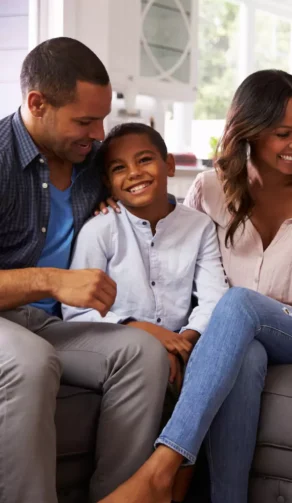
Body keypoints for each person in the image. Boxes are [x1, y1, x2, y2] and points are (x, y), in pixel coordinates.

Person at [82, 69, 292, 503]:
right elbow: (171, 245)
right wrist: (116, 209)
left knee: (238, 301)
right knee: (245, 355)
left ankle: (161, 469)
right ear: (251, 129)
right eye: (283, 133)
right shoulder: (209, 188)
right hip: (237, 337)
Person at [0, 37, 168, 503]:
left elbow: (148, 190)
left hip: (52, 325)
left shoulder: (93, 162)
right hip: (8, 326)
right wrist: (50, 280)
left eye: (101, 119)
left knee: (143, 354)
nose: (98, 133)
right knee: (29, 363)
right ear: (37, 103)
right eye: (84, 120)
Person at [63, 122, 228, 383]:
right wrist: (144, 332)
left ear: (170, 165)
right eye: (119, 168)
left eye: (144, 160)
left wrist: (181, 343)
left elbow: (214, 297)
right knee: (149, 362)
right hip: (118, 341)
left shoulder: (199, 226)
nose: (134, 173)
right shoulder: (99, 230)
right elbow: (78, 310)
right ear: (108, 183)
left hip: (183, 339)